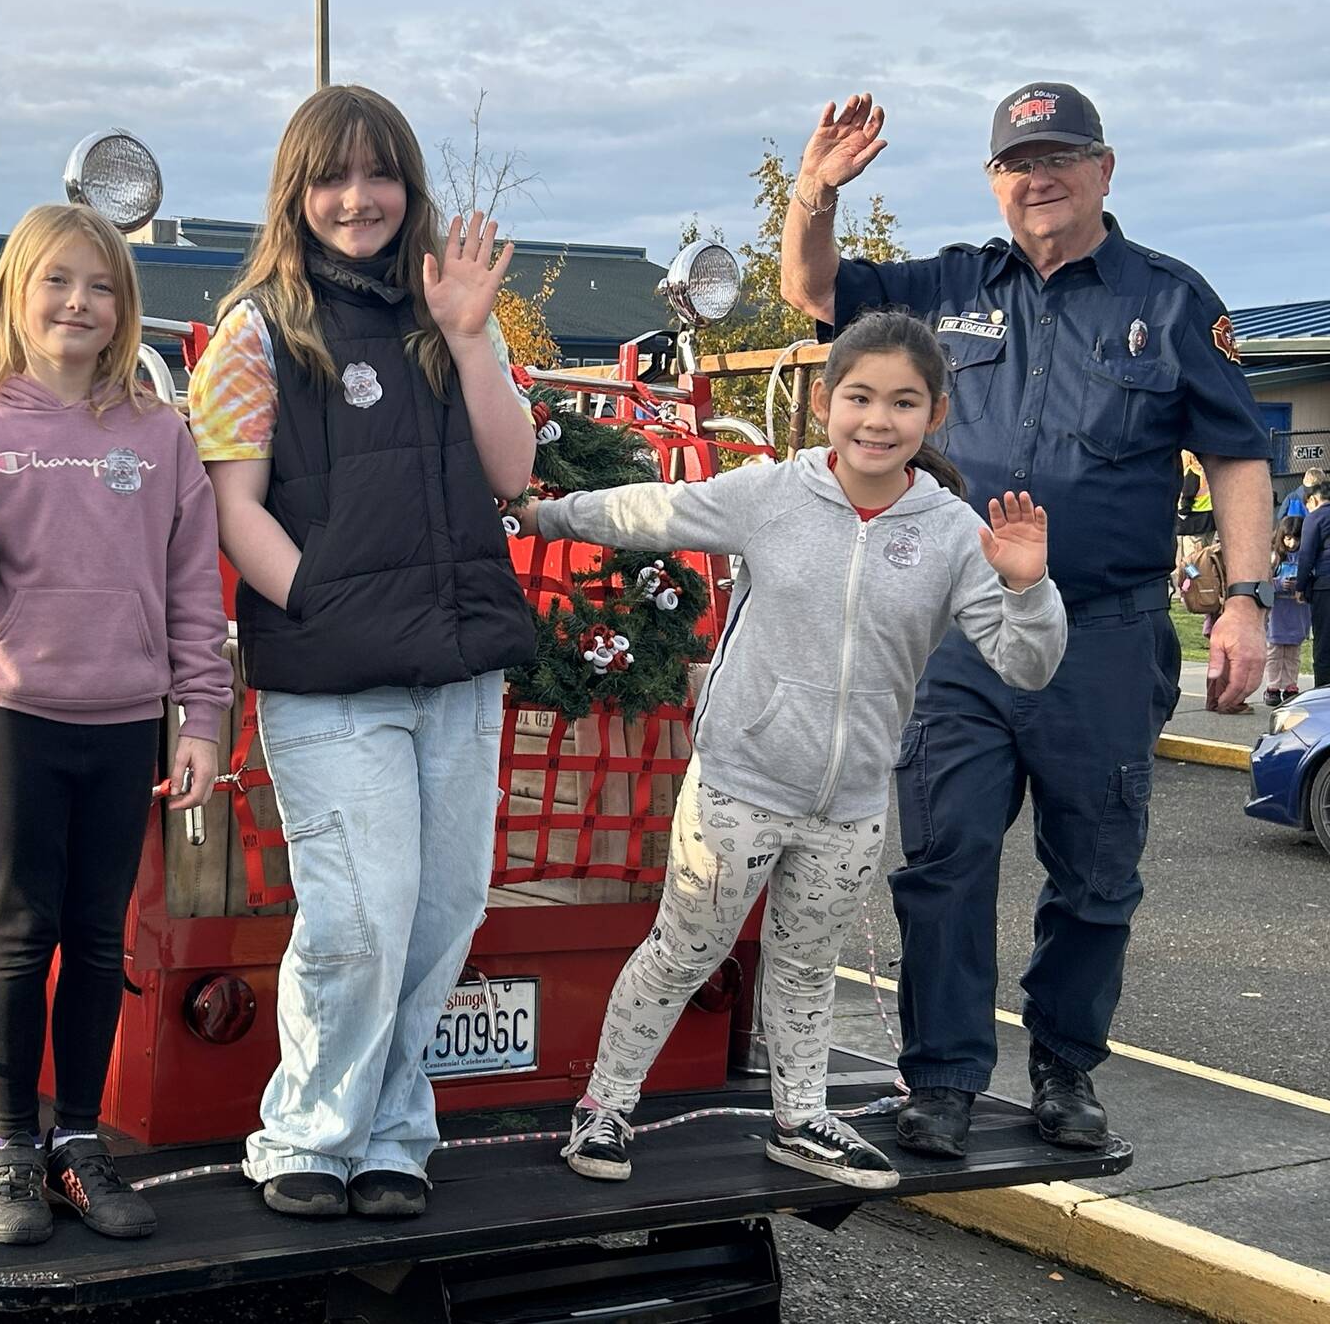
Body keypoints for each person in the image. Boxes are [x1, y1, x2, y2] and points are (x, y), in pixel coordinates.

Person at [781, 84, 1275, 1156]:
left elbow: (1237, 453)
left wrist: (1243, 599)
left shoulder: (1172, 300)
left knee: (1095, 871)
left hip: (1100, 632)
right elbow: (810, 290)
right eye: (1016, 161)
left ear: (1103, 169)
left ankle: (1062, 1071)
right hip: (956, 635)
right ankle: (944, 1082)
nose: (1036, 176)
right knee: (942, 858)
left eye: (1059, 156)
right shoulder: (945, 286)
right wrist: (813, 191)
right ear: (992, 180)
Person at [520, 311, 1064, 1189]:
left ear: (935, 414)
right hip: (740, 781)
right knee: (685, 948)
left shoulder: (956, 531)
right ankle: (605, 1108)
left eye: (902, 402)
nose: (877, 420)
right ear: (824, 402)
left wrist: (1028, 585)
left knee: (809, 966)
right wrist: (544, 515)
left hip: (848, 803)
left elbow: (1026, 664)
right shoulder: (772, 494)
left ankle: (800, 1117)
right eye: (859, 397)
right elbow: (653, 510)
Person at [189, 84, 537, 1220]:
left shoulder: (440, 310)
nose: (356, 199)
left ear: (406, 185)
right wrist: (322, 604)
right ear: (295, 192)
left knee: (443, 909)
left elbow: (510, 473)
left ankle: (392, 1129)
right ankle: (307, 1131)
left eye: (376, 174)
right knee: (355, 914)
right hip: (333, 679)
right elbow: (233, 507)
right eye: (329, 178)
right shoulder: (256, 331)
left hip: (454, 674)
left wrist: (471, 335)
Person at [0, 203, 233, 1245]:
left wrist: (200, 718)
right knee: (21, 936)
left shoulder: (156, 433)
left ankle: (78, 1145)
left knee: (99, 942)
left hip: (128, 719)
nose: (77, 303)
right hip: (17, 714)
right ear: (18, 298)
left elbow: (193, 588)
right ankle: (11, 1153)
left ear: (123, 307)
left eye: (98, 287)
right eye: (56, 282)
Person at [1268, 514, 1308, 705]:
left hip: (1298, 611)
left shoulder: (1307, 558)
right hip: (1278, 612)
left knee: (1293, 652)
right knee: (1275, 652)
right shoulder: (1274, 559)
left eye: (1297, 538)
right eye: (1288, 538)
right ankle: (1273, 686)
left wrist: (1300, 584)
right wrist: (1278, 584)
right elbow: (1264, 583)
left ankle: (1291, 685)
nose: (1292, 543)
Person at [1296, 489, 1330, 692]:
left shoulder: (1315, 517)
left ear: (1313, 499)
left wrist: (1300, 586)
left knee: (1324, 643)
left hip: (1325, 585)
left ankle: (1323, 693)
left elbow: (1306, 554)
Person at [1177, 451, 1215, 566]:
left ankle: (1192, 581)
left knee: (1191, 559)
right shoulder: (1210, 472)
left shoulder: (1193, 472)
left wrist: (1181, 513)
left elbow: (1187, 497)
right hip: (1210, 521)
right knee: (1205, 556)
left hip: (1193, 523)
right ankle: (1205, 580)